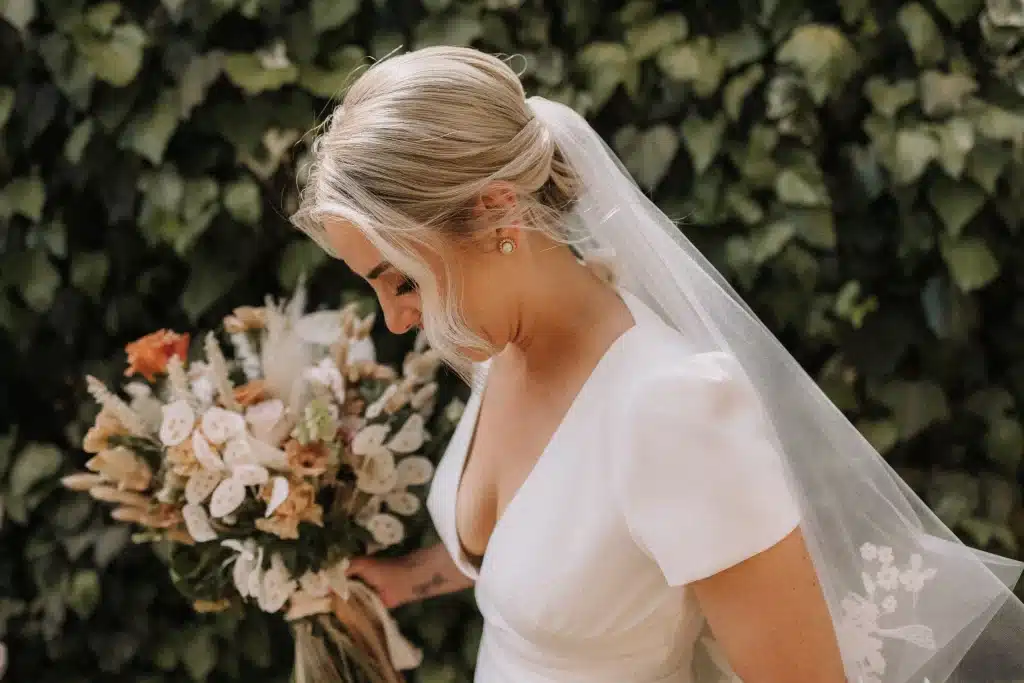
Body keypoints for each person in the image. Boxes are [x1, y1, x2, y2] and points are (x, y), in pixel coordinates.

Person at [293, 46, 1024, 683]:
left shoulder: (672, 411)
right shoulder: (499, 348)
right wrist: (400, 581)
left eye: (400, 278)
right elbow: (554, 556)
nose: (394, 319)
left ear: (495, 213)